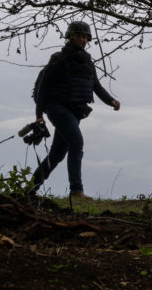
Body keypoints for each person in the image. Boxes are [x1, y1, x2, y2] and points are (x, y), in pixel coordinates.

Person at [29, 21, 121, 200]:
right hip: (57, 107)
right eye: (79, 35)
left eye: (85, 36)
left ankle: (31, 187)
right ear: (70, 37)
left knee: (57, 154)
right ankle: (76, 191)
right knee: (76, 143)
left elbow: (96, 85)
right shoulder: (58, 59)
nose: (82, 39)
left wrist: (111, 100)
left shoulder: (87, 61)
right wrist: (39, 115)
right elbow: (44, 88)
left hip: (76, 110)